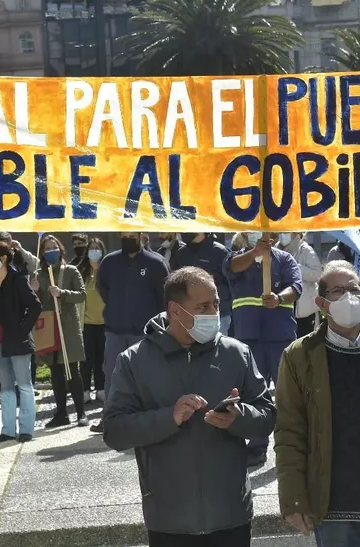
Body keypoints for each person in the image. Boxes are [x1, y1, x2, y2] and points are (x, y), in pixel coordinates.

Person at [103, 267, 276, 547]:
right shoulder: (134, 361)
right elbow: (114, 431)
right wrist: (168, 418)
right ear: (175, 310)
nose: (213, 313)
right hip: (169, 521)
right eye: (203, 306)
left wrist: (239, 417)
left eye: (216, 303)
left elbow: (268, 416)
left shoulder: (236, 354)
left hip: (231, 516)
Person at [275, 261, 360, 546]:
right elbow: (289, 431)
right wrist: (293, 498)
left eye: (354, 289)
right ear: (322, 303)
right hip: (334, 507)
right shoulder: (300, 356)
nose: (349, 297)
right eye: (338, 291)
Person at [224, 231, 302, 467]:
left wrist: (280, 298)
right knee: (255, 395)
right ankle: (257, 446)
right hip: (249, 337)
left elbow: (296, 287)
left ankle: (293, 444)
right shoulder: (238, 257)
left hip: (279, 335)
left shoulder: (285, 259)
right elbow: (231, 268)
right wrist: (255, 253)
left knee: (288, 394)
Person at [91, 231, 169, 434]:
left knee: (146, 376)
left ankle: (148, 418)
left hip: (145, 333)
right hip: (115, 331)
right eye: (124, 234)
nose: (127, 237)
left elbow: (164, 297)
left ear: (140, 234)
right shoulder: (110, 262)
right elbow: (103, 288)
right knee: (112, 375)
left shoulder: (156, 263)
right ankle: (109, 418)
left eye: (131, 234)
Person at [0, 240, 42, 443]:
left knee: (24, 385)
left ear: (3, 258)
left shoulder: (17, 280)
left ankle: (26, 429)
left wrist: (22, 330)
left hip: (17, 342)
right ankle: (8, 430)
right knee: (5, 388)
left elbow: (35, 306)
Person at [33, 234, 88, 427]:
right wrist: (36, 291)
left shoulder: (71, 271)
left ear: (60, 249)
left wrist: (62, 293)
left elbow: (82, 295)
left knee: (72, 369)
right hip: (49, 326)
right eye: (46, 248)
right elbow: (36, 304)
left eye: (53, 247)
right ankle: (61, 413)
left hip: (68, 326)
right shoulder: (38, 274)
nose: (50, 251)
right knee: (55, 370)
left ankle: (81, 412)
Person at [173, 232, 234, 335]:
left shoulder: (219, 252)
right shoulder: (181, 254)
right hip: (189, 316)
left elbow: (231, 283)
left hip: (217, 315)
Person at [277, 232, 321, 337]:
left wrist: (295, 267)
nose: (283, 235)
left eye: (287, 232)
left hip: (303, 310)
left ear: (295, 233)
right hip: (283, 307)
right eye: (281, 232)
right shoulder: (276, 249)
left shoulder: (305, 250)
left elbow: (317, 275)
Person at [79, 237, 107, 403]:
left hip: (104, 322)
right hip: (86, 323)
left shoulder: (107, 270)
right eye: (92, 248)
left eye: (98, 248)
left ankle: (101, 389)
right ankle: (84, 391)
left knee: (101, 359)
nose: (95, 251)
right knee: (86, 359)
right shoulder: (81, 272)